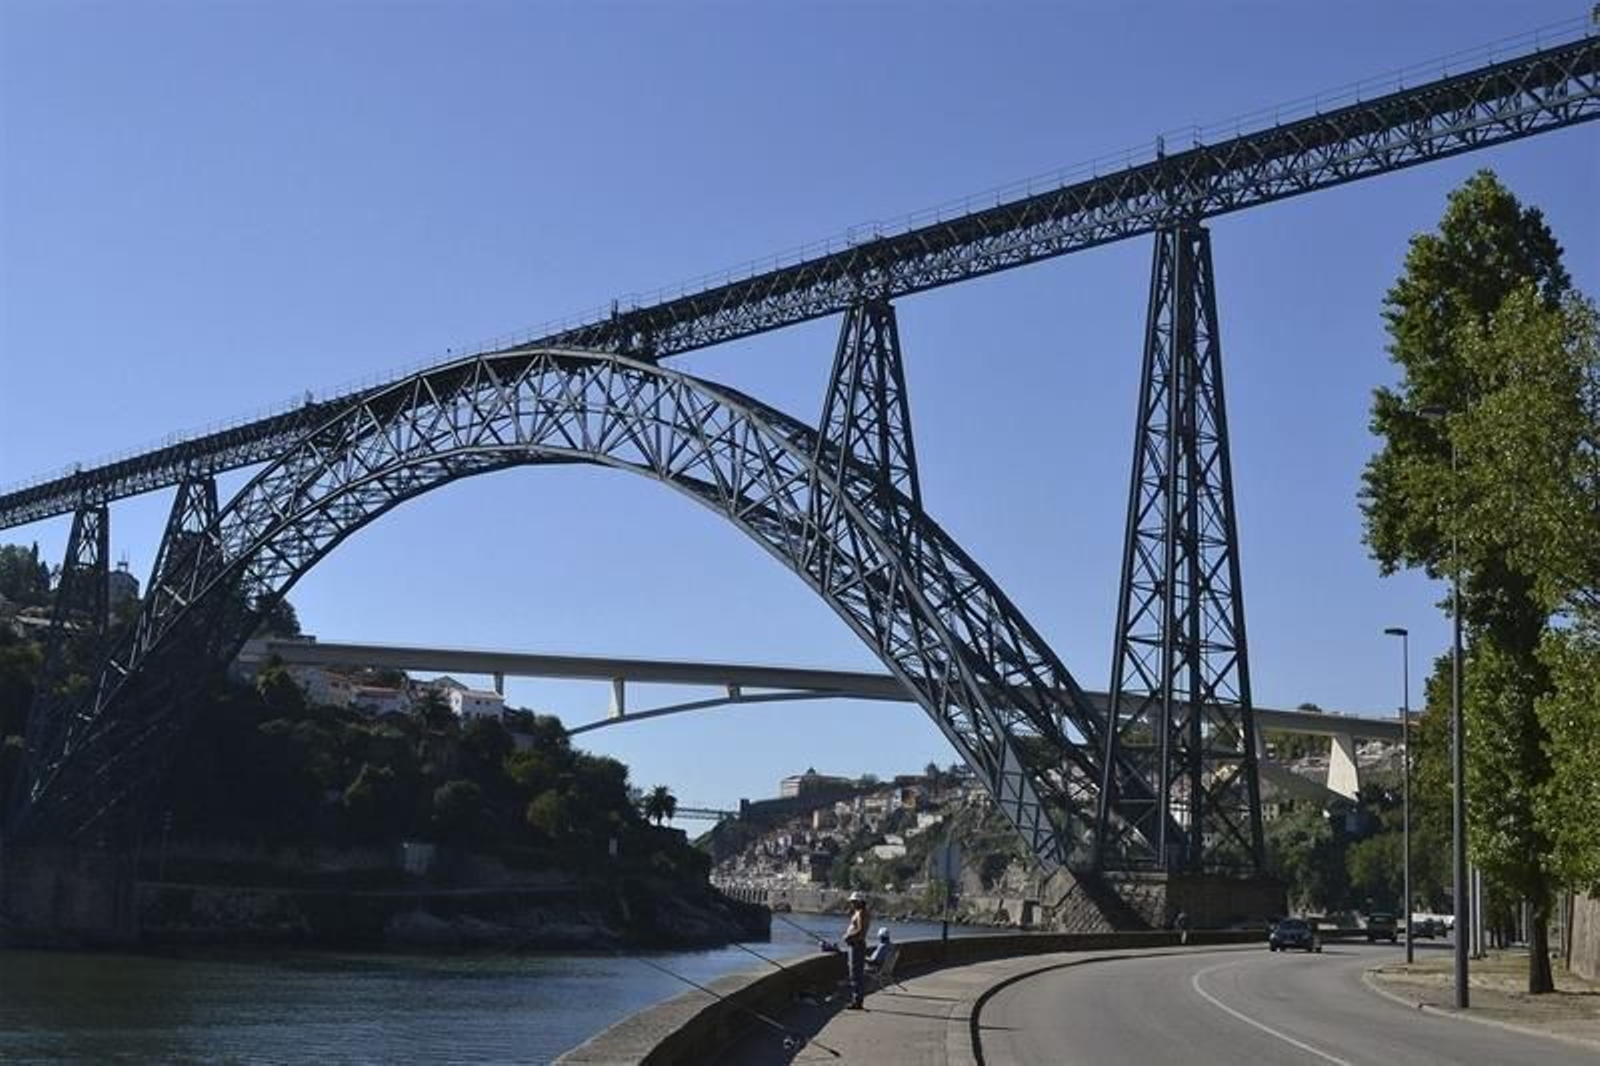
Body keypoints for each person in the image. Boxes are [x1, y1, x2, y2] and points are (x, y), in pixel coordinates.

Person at [842, 890, 870, 1009]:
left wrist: (849, 936)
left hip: (857, 945)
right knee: (856, 973)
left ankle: (857, 1001)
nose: (851, 904)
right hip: (857, 945)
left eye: (853, 902)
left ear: (859, 901)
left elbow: (861, 931)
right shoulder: (860, 912)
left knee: (856, 974)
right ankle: (857, 999)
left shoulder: (862, 913)